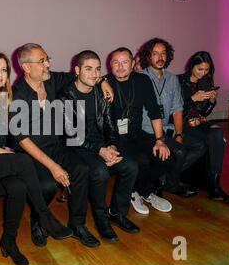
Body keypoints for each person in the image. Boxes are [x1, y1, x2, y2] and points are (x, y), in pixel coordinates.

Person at [0, 51, 72, 265]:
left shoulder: (6, 100)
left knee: (18, 188)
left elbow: (17, 134)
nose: (0, 74)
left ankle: (9, 241)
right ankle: (45, 216)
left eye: (4, 70)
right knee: (22, 160)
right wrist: (4, 152)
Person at [11, 43, 113, 248]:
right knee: (47, 185)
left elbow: (84, 75)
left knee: (81, 170)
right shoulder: (16, 95)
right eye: (42, 61)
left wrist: (103, 81)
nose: (47, 64)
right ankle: (38, 221)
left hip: (55, 145)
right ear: (26, 67)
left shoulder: (52, 80)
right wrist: (53, 167)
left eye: (47, 59)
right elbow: (23, 140)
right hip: (30, 152)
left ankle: (77, 224)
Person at [59, 50, 140, 241]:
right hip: (75, 146)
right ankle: (100, 220)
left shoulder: (102, 92)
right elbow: (71, 135)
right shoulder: (66, 96)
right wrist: (100, 151)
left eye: (97, 69)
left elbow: (111, 125)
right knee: (100, 172)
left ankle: (118, 214)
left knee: (130, 166)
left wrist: (111, 145)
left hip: (100, 145)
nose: (94, 74)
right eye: (88, 69)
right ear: (77, 70)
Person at [105, 47, 173, 215]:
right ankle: (141, 192)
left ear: (133, 63)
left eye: (125, 62)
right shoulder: (104, 82)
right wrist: (101, 81)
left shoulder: (142, 81)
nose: (120, 67)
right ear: (110, 64)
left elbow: (154, 112)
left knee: (167, 158)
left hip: (136, 134)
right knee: (140, 160)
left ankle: (139, 191)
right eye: (116, 62)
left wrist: (159, 140)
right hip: (113, 138)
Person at [139, 38, 207, 197]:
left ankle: (163, 179)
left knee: (200, 146)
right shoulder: (140, 78)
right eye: (155, 53)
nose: (160, 57)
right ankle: (173, 185)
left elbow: (177, 109)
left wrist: (178, 134)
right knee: (180, 152)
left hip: (167, 128)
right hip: (147, 131)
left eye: (163, 53)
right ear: (148, 57)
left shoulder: (172, 79)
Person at [178, 51, 229, 202]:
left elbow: (203, 113)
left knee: (217, 133)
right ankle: (212, 186)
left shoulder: (205, 82)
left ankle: (214, 183)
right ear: (192, 66)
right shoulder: (178, 81)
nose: (203, 73)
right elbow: (174, 110)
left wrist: (211, 102)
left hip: (198, 122)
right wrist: (192, 99)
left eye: (206, 70)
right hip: (181, 123)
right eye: (200, 69)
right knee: (213, 142)